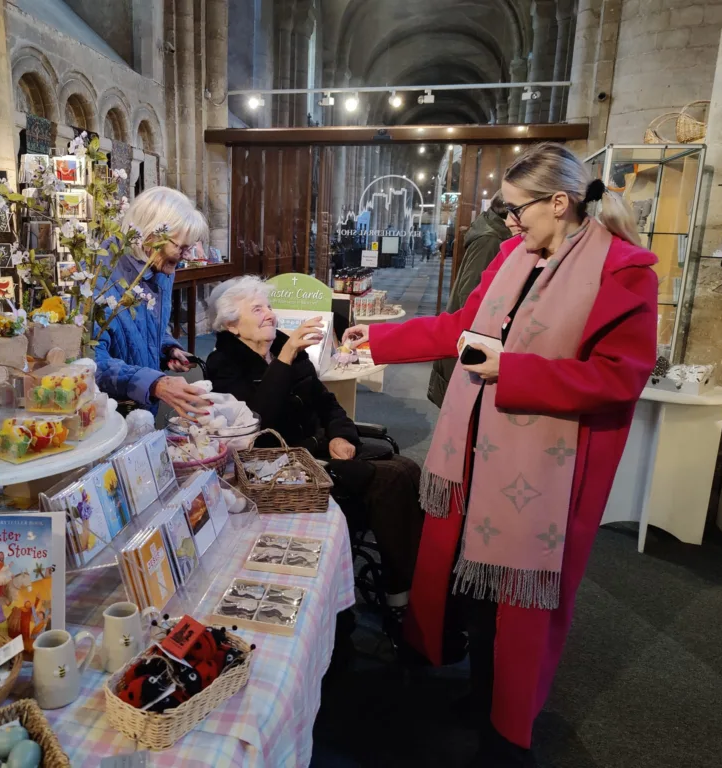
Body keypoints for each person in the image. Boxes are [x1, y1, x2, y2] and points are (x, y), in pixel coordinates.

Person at [343, 143, 657, 765]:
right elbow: (462, 323)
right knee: (476, 590)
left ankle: (507, 728)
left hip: (545, 464)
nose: (509, 224)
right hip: (476, 454)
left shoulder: (623, 271)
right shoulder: (517, 255)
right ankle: (483, 692)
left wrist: (513, 370)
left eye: (517, 211)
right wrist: (378, 339)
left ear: (558, 203)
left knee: (520, 601)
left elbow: (619, 377)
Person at [205, 276, 424, 618]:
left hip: (321, 450)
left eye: (269, 307)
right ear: (232, 325)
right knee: (391, 480)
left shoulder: (282, 346)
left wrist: (342, 436)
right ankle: (403, 598)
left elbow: (328, 404)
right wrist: (286, 357)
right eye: (257, 309)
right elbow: (258, 423)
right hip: (281, 468)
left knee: (408, 469)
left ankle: (411, 586)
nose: (269, 315)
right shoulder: (225, 365)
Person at [94, 186, 211, 420]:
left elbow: (144, 329)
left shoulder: (159, 269)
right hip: (107, 416)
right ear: (150, 235)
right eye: (181, 247)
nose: (187, 256)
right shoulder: (100, 278)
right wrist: (156, 383)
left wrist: (167, 348)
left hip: (143, 411)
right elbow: (92, 363)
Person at [428, 192, 512, 407]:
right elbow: (469, 294)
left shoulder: (492, 233)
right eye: (514, 213)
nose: (513, 222)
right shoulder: (491, 239)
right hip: (475, 338)